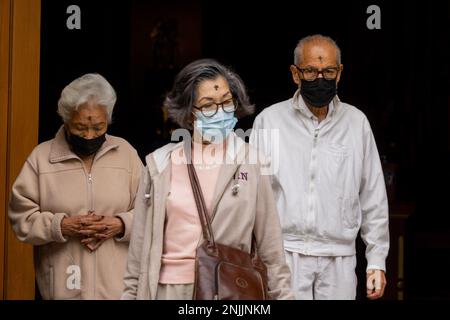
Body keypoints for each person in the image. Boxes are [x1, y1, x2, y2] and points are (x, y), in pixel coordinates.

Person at [122, 59, 293, 300]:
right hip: (166, 290)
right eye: (208, 105)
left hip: (228, 289)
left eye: (226, 102)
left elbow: (272, 251)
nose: (221, 111)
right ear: (189, 114)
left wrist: (283, 296)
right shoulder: (159, 165)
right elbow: (137, 254)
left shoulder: (251, 162)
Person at [250, 35, 389, 300]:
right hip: (284, 254)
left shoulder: (356, 123)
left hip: (339, 257)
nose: (320, 79)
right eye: (311, 71)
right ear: (295, 74)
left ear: (339, 74)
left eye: (328, 71)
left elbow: (373, 196)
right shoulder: (269, 121)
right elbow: (255, 193)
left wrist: (377, 261)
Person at [8, 73, 143, 299]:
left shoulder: (126, 154)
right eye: (80, 127)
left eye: (98, 127)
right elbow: (21, 217)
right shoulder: (42, 158)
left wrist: (121, 224)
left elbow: (152, 211)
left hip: (118, 291)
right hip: (62, 289)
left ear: (108, 120)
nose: (89, 135)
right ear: (66, 119)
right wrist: (59, 226)